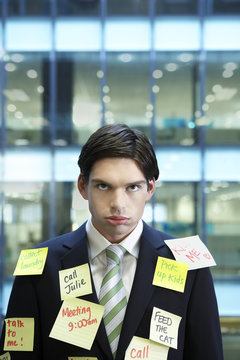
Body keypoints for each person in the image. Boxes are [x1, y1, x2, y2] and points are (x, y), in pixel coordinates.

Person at [0, 124, 223, 359]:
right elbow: (16, 354)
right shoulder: (40, 266)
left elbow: (207, 352)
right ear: (82, 186)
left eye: (132, 187)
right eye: (104, 186)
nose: (118, 203)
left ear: (150, 188)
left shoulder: (187, 265)